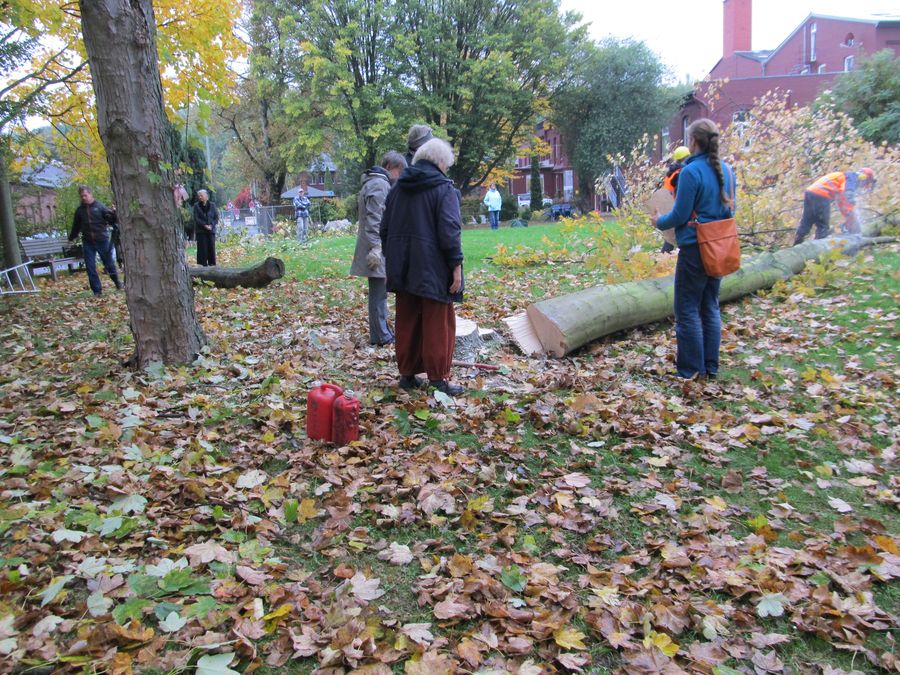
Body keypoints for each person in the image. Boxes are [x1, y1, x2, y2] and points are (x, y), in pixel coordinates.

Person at [652, 118, 736, 381]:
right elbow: (730, 210)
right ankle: (710, 367)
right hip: (720, 246)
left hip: (695, 249)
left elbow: (679, 214)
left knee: (687, 309)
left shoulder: (690, 172)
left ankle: (690, 370)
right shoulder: (728, 170)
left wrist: (659, 221)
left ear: (693, 141)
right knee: (710, 306)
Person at [380, 138, 465, 396]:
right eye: (446, 165)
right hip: (433, 266)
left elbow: (384, 229)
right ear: (440, 162)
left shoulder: (397, 188)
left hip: (402, 265)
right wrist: (456, 265)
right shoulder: (443, 188)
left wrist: (392, 259)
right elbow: (450, 230)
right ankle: (438, 379)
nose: (446, 169)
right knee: (438, 321)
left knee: (407, 319)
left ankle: (407, 375)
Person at [350, 151, 408, 346]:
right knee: (378, 292)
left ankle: (382, 331)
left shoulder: (375, 182)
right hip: (375, 247)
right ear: (391, 167)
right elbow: (375, 219)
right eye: (399, 171)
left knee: (380, 291)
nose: (399, 177)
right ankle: (380, 335)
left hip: (376, 245)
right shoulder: (379, 184)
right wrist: (377, 248)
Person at [793, 168, 876, 244]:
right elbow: (848, 195)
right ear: (863, 177)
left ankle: (797, 243)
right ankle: (819, 249)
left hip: (810, 192)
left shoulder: (842, 180)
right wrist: (852, 218)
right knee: (823, 226)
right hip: (821, 194)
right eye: (866, 182)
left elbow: (842, 204)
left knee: (807, 221)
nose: (862, 185)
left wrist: (850, 218)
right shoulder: (852, 176)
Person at [68, 186, 122, 296]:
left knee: (109, 264)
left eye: (85, 195)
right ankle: (97, 291)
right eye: (81, 196)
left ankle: (117, 282)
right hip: (88, 242)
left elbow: (112, 220)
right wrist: (71, 238)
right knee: (90, 267)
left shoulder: (100, 207)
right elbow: (76, 226)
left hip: (102, 240)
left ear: (90, 194)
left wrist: (114, 214)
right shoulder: (80, 211)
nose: (83, 198)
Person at [659, 146, 691, 253]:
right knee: (673, 237)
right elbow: (681, 192)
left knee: (671, 237)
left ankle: (665, 256)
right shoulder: (681, 173)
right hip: (673, 206)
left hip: (666, 205)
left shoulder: (672, 172)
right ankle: (665, 257)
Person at [192, 189, 218, 266]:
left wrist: (211, 225)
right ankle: (202, 265)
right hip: (201, 231)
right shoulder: (196, 206)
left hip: (211, 231)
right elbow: (196, 218)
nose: (200, 197)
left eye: (201, 195)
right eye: (199, 196)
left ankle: (212, 264)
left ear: (206, 196)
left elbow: (216, 218)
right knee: (202, 249)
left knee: (211, 248)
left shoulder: (212, 205)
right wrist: (205, 225)